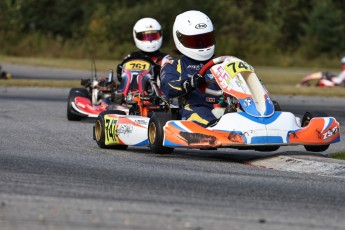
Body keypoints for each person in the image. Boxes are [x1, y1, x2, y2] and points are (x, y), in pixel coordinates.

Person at [160, 10, 221, 127]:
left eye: (206, 39)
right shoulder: (174, 64)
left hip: (224, 107)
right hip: (194, 108)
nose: (202, 44)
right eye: (195, 41)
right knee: (210, 122)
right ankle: (217, 128)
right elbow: (167, 86)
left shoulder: (221, 64)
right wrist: (189, 83)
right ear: (180, 39)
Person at [116, 17, 172, 91]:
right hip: (130, 95)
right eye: (145, 37)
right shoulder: (130, 58)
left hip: (155, 97)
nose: (150, 40)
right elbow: (121, 78)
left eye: (154, 36)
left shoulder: (165, 59)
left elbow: (170, 82)